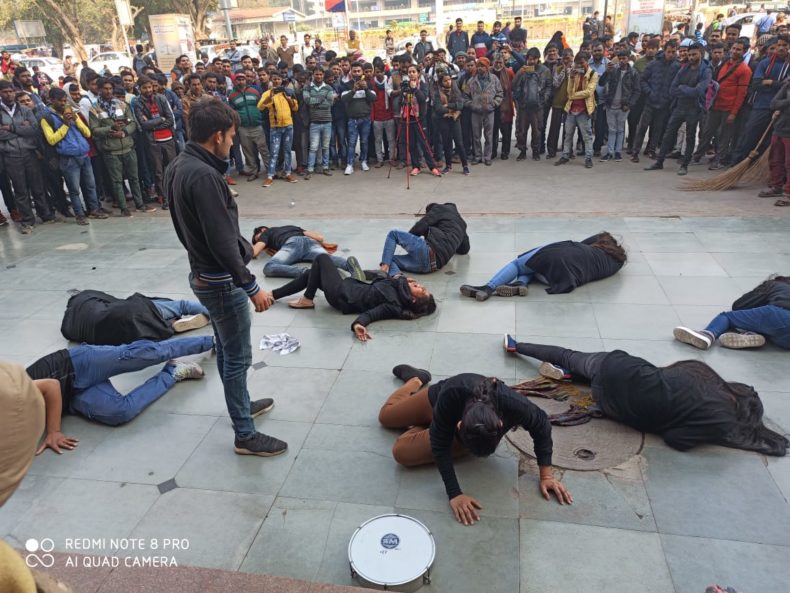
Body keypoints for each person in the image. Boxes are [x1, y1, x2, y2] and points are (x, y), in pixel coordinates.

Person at [164, 97, 288, 457]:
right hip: (221, 283)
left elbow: (199, 228)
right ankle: (245, 435)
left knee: (225, 348)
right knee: (236, 357)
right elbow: (219, 242)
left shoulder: (180, 165)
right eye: (232, 136)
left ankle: (241, 405)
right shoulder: (202, 176)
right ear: (217, 136)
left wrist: (246, 248)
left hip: (202, 275)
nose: (233, 143)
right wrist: (251, 286)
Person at [506, 335, 788, 456]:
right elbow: (677, 441)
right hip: (609, 403)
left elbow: (665, 373)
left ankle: (518, 346)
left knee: (570, 355)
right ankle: (571, 378)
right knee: (588, 375)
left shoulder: (707, 380)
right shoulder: (718, 423)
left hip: (618, 365)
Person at [378, 365, 572, 525]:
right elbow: (440, 446)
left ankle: (433, 427)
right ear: (460, 425)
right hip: (438, 401)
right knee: (386, 417)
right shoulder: (453, 392)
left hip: (455, 429)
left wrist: (546, 475)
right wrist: (454, 493)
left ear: (500, 423)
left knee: (401, 452)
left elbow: (542, 424)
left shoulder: (514, 405)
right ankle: (416, 379)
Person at [26, 336, 212, 427]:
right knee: (120, 412)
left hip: (76, 364)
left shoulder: (7, 392)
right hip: (72, 396)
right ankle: (172, 372)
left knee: (149, 354)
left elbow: (51, 386)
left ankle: (213, 340)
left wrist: (53, 431)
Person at [267, 253, 436, 341]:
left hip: (341, 295)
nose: (420, 286)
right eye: (423, 287)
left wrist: (358, 325)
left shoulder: (394, 305)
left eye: (421, 291)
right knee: (313, 273)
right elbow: (385, 280)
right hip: (349, 286)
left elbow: (371, 315)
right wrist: (402, 280)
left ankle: (307, 299)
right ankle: (273, 295)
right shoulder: (399, 286)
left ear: (413, 300)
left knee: (322, 258)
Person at [460, 232, 626, 300]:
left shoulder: (597, 242)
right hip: (563, 281)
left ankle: (488, 288)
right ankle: (521, 283)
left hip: (558, 259)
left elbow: (582, 243)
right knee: (534, 265)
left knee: (519, 264)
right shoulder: (616, 263)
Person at [40, 87, 106, 225]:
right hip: (68, 158)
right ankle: (79, 214)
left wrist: (76, 120)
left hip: (84, 153)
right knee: (74, 189)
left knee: (90, 185)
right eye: (60, 101)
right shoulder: (46, 117)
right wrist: (65, 124)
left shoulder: (70, 112)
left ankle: (94, 209)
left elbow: (87, 133)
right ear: (51, 100)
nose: (63, 104)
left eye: (65, 100)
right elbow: (51, 139)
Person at [88, 77, 152, 215]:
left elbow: (133, 123)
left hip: (128, 146)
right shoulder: (94, 109)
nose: (108, 91)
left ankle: (140, 204)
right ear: (99, 90)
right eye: (105, 89)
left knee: (134, 178)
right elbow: (94, 130)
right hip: (111, 151)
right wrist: (110, 129)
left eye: (110, 88)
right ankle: (124, 208)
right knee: (117, 181)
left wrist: (123, 132)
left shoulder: (122, 105)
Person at [645, 43, 711, 176]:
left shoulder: (706, 70)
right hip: (679, 106)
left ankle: (685, 165)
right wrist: (687, 90)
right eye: (690, 54)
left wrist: (683, 88)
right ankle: (659, 162)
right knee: (668, 134)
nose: (691, 57)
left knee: (690, 136)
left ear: (701, 54)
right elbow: (673, 88)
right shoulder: (684, 68)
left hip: (694, 108)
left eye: (694, 54)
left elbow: (699, 91)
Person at [674, 275, 790, 350]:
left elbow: (739, 305)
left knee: (728, 317)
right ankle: (751, 334)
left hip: (780, 315)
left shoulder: (774, 284)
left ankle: (707, 335)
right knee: (771, 330)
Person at [60, 290, 210, 345]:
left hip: (114, 336)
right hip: (130, 312)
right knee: (183, 305)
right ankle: (223, 314)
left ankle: (171, 325)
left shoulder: (67, 328)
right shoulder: (88, 295)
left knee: (139, 327)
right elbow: (119, 303)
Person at [0, 79, 54, 233]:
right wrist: (21, 128)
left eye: (11, 91)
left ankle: (45, 214)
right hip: (11, 155)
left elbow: (34, 130)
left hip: (29, 153)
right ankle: (27, 220)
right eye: (5, 92)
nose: (9, 94)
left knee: (37, 186)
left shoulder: (25, 110)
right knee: (20, 189)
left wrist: (10, 127)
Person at [691, 40, 752, 169]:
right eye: (734, 48)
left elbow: (741, 93)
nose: (735, 51)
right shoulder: (725, 63)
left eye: (738, 49)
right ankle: (697, 156)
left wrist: (734, 113)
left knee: (724, 136)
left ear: (744, 52)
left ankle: (719, 160)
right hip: (716, 104)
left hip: (729, 108)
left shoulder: (745, 70)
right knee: (707, 132)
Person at [380, 202, 470, 276]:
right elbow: (464, 250)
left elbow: (421, 225)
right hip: (432, 267)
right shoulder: (462, 224)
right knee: (388, 258)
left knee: (393, 234)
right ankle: (397, 277)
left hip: (429, 251)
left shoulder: (439, 208)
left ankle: (383, 270)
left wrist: (409, 242)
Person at [250, 223, 360, 278]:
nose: (259, 240)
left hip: (291, 244)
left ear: (263, 230)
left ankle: (306, 273)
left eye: (257, 238)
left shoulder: (266, 233)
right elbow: (319, 238)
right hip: (309, 242)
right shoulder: (290, 227)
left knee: (269, 268)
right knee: (328, 259)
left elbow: (254, 252)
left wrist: (262, 247)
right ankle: (350, 266)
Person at [132, 75, 177, 207]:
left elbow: (170, 119)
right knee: (158, 172)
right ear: (139, 88)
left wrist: (153, 123)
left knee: (172, 169)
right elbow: (143, 125)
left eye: (149, 87)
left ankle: (175, 194)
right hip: (153, 142)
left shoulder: (161, 99)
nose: (148, 90)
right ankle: (165, 198)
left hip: (168, 139)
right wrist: (160, 120)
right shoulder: (138, 103)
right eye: (144, 87)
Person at [630, 41, 679, 163]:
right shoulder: (654, 64)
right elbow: (643, 80)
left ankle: (651, 150)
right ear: (664, 50)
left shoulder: (677, 66)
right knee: (642, 127)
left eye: (674, 52)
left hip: (664, 103)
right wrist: (649, 92)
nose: (671, 54)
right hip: (650, 102)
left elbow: (677, 84)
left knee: (657, 129)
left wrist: (669, 97)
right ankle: (635, 152)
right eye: (669, 52)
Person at [555, 51, 599, 168]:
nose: (579, 66)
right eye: (577, 64)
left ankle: (588, 158)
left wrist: (573, 96)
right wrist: (572, 77)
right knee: (568, 134)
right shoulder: (573, 74)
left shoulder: (593, 74)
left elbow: (588, 92)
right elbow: (569, 91)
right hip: (571, 108)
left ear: (587, 62)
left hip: (584, 110)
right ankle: (565, 155)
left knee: (586, 136)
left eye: (582, 63)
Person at [598, 49, 641, 161]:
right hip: (610, 104)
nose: (621, 61)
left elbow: (637, 91)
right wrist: (606, 71)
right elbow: (601, 83)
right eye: (620, 58)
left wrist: (630, 104)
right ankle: (610, 152)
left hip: (624, 106)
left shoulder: (633, 73)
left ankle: (618, 152)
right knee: (612, 129)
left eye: (624, 58)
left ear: (628, 59)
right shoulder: (613, 71)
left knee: (620, 129)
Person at [258, 71, 298, 187]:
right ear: (271, 80)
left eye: (278, 79)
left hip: (288, 126)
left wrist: (288, 98)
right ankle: (270, 175)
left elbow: (295, 107)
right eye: (274, 79)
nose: (276, 81)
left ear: (282, 80)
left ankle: (288, 173)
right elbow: (260, 107)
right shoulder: (267, 93)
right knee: (274, 152)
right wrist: (269, 98)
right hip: (275, 127)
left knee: (287, 151)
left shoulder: (288, 92)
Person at [228, 72, 269, 182]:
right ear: (235, 81)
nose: (240, 81)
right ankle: (253, 171)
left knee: (263, 149)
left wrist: (260, 118)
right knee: (248, 151)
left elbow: (262, 105)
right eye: (238, 79)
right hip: (243, 127)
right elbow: (232, 112)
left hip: (257, 125)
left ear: (246, 80)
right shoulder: (232, 95)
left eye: (242, 79)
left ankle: (270, 171)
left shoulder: (255, 91)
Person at [513, 48, 552, 161]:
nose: (532, 62)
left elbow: (549, 86)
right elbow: (514, 85)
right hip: (524, 106)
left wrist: (544, 99)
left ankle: (536, 151)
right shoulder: (523, 70)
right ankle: (522, 151)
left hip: (537, 107)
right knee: (521, 131)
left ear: (538, 59)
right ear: (527, 59)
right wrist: (520, 74)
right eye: (530, 59)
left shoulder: (545, 70)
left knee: (537, 131)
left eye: (534, 59)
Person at [465, 57, 503, 165]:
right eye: (479, 66)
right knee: (476, 136)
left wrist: (494, 104)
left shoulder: (494, 79)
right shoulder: (471, 81)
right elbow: (465, 96)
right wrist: (471, 105)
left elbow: (500, 94)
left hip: (489, 112)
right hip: (475, 112)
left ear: (487, 67)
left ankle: (487, 157)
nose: (480, 68)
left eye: (482, 66)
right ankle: (477, 156)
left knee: (489, 136)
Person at [341, 61, 376, 175]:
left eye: (358, 71)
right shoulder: (346, 84)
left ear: (362, 72)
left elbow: (373, 98)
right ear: (351, 72)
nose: (356, 73)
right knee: (351, 142)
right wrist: (353, 90)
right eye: (354, 71)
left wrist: (366, 89)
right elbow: (344, 99)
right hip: (352, 119)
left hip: (365, 118)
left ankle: (364, 161)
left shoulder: (368, 84)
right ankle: (350, 164)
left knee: (364, 141)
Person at [432, 73, 470, 174]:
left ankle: (465, 165)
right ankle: (448, 166)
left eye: (449, 79)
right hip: (443, 121)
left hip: (454, 119)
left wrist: (448, 105)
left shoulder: (455, 90)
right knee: (447, 144)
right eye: (445, 80)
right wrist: (451, 110)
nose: (448, 82)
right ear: (441, 82)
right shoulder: (437, 92)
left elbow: (460, 105)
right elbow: (438, 108)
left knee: (459, 143)